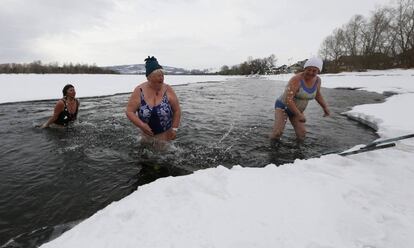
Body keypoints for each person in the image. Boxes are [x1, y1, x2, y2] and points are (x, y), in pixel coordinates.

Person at [270, 57, 330, 141]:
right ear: (304, 68)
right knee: (277, 133)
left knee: (302, 134)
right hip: (283, 107)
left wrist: (325, 107)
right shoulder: (296, 79)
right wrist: (299, 114)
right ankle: (272, 150)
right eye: (308, 69)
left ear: (318, 71)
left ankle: (297, 152)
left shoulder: (318, 80)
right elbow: (288, 99)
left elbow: (317, 94)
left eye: (314, 71)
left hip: (298, 110)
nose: (311, 72)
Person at [126, 56, 181, 141]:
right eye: (158, 75)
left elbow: (177, 110)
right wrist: (141, 125)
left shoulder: (168, 89)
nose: (161, 78)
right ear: (149, 77)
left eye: (162, 75)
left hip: (166, 139)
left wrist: (174, 129)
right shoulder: (139, 91)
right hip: (146, 138)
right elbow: (129, 112)